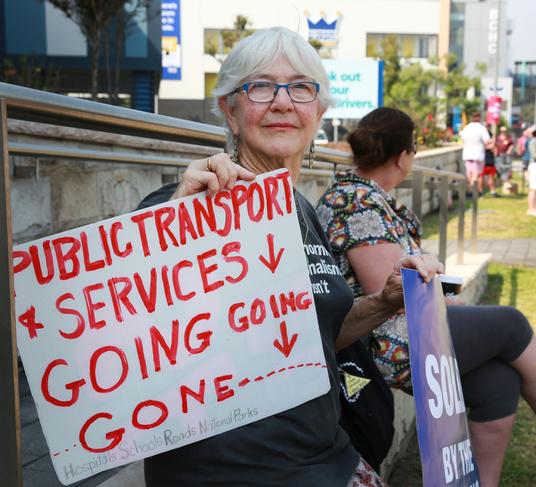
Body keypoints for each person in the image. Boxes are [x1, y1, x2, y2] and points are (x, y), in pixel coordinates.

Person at [138, 27, 440, 487]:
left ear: (319, 112)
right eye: (260, 86)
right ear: (230, 110)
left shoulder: (300, 208)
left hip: (323, 455)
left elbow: (319, 336)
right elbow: (138, 323)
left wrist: (385, 301)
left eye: (301, 88)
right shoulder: (188, 203)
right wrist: (179, 220)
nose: (283, 102)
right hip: (234, 474)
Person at [316, 107, 536, 486]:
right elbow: (388, 291)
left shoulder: (360, 195)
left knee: (497, 380)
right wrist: (443, 303)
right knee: (511, 325)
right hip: (381, 344)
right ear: (403, 156)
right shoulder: (356, 201)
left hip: (396, 332)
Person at [460, 112, 492, 193]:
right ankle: (473, 190)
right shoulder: (481, 128)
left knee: (469, 173)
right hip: (478, 154)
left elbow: (462, 137)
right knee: (475, 174)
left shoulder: (467, 127)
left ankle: (470, 190)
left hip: (467, 153)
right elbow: (487, 141)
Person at [481, 129, 501, 197]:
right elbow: (490, 147)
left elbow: (495, 151)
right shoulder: (483, 144)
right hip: (485, 163)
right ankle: (480, 191)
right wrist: (494, 139)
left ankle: (492, 191)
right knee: (482, 178)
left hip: (490, 163)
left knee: (491, 178)